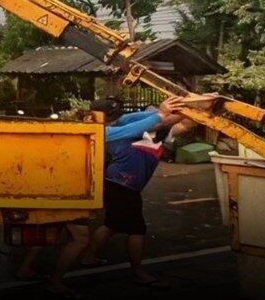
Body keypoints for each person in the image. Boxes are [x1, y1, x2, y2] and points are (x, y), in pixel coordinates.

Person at [77, 96, 189, 288]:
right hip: (121, 185)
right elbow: (138, 126)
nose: (116, 118)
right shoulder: (106, 132)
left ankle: (88, 256)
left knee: (111, 225)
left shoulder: (121, 122)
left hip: (123, 184)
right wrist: (161, 114)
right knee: (137, 230)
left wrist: (186, 109)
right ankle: (138, 272)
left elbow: (153, 119)